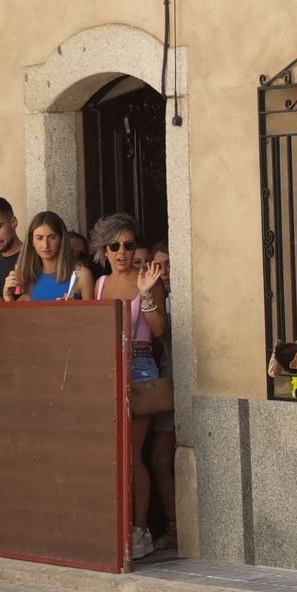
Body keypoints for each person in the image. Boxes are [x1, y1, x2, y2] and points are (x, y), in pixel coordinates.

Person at [91, 213, 168, 561]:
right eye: (115, 246)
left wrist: (145, 294)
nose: (122, 252)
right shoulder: (100, 284)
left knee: (133, 455)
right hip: (109, 368)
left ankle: (140, 532)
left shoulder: (148, 278)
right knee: (113, 454)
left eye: (129, 245)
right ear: (104, 250)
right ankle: (117, 527)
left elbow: (159, 329)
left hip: (140, 367)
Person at [144, 238, 176, 550]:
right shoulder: (155, 299)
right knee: (157, 457)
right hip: (160, 386)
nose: (164, 271)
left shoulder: (176, 299)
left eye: (168, 264)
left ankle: (175, 525)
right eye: (159, 266)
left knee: (160, 457)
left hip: (174, 384)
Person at [5, 211, 94, 301]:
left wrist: (72, 309)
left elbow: (92, 314)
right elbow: (19, 314)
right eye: (39, 238)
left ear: (61, 239)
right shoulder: (29, 277)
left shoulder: (81, 275)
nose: (45, 245)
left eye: (52, 237)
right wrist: (8, 296)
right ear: (32, 241)